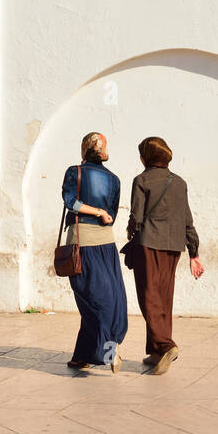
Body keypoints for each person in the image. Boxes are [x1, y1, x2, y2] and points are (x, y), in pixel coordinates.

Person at [126, 136, 204, 375]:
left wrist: (130, 234)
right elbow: (187, 219)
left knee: (149, 297)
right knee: (163, 296)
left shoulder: (141, 180)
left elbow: (136, 218)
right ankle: (156, 352)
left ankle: (167, 345)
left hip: (149, 244)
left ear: (145, 158)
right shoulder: (179, 182)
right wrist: (194, 252)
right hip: (174, 246)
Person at [61, 131, 128, 373]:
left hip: (82, 242)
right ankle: (83, 356)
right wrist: (101, 212)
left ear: (85, 149)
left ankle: (108, 352)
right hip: (106, 244)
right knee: (105, 296)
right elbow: (111, 217)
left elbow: (71, 202)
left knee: (91, 299)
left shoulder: (74, 172)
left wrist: (96, 212)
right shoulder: (115, 179)